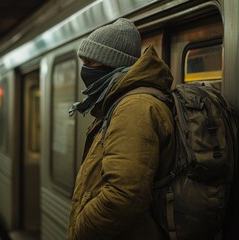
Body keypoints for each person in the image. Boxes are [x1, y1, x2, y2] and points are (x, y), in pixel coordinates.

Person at [66, 18, 175, 239]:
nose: (85, 70)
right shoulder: (120, 102)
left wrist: (81, 231)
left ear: (112, 63)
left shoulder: (135, 107)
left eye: (91, 62)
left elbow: (124, 195)